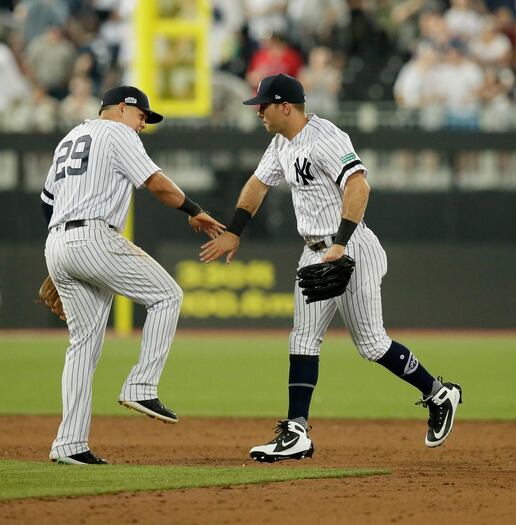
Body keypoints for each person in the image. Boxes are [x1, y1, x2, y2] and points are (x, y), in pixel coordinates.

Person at [199, 73, 463, 462]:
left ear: (285, 106)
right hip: (313, 249)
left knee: (371, 344)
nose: (258, 113)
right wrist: (235, 231)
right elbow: (256, 185)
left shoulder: (326, 137)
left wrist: (340, 243)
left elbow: (359, 187)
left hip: (351, 245)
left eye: (263, 106)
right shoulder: (280, 143)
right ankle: (296, 431)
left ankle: (439, 394)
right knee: (302, 339)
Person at [40, 86, 224, 465]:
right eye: (142, 116)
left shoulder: (70, 137)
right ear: (122, 109)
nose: (143, 125)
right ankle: (141, 385)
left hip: (57, 242)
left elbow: (46, 201)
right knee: (167, 295)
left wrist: (60, 254)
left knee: (82, 347)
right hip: (94, 236)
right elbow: (155, 182)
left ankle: (69, 444)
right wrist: (193, 209)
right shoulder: (117, 132)